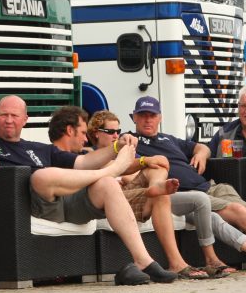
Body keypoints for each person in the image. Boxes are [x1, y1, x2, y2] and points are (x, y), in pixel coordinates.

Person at [0, 96, 177, 286]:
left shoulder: (39, 148)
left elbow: (83, 163)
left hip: (68, 203)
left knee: (107, 184)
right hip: (32, 205)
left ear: (24, 119)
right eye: (4, 115)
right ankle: (111, 171)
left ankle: (143, 261)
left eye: (14, 116)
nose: (8, 120)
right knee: (41, 175)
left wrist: (116, 146)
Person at [128, 96, 246, 274]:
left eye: (152, 115)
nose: (148, 120)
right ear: (134, 117)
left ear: (160, 117)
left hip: (209, 185)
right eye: (142, 115)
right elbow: (124, 165)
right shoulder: (131, 141)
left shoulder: (169, 139)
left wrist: (201, 154)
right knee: (237, 211)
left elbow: (202, 147)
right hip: (185, 193)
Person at [64, 108, 210, 280]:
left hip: (131, 192)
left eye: (118, 132)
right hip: (111, 197)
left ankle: (156, 188)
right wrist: (140, 163)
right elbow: (107, 171)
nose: (115, 136)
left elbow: (130, 173)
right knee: (160, 187)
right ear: (95, 134)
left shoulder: (121, 153)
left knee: (158, 168)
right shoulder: (89, 155)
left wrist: (144, 163)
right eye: (110, 132)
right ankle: (153, 191)